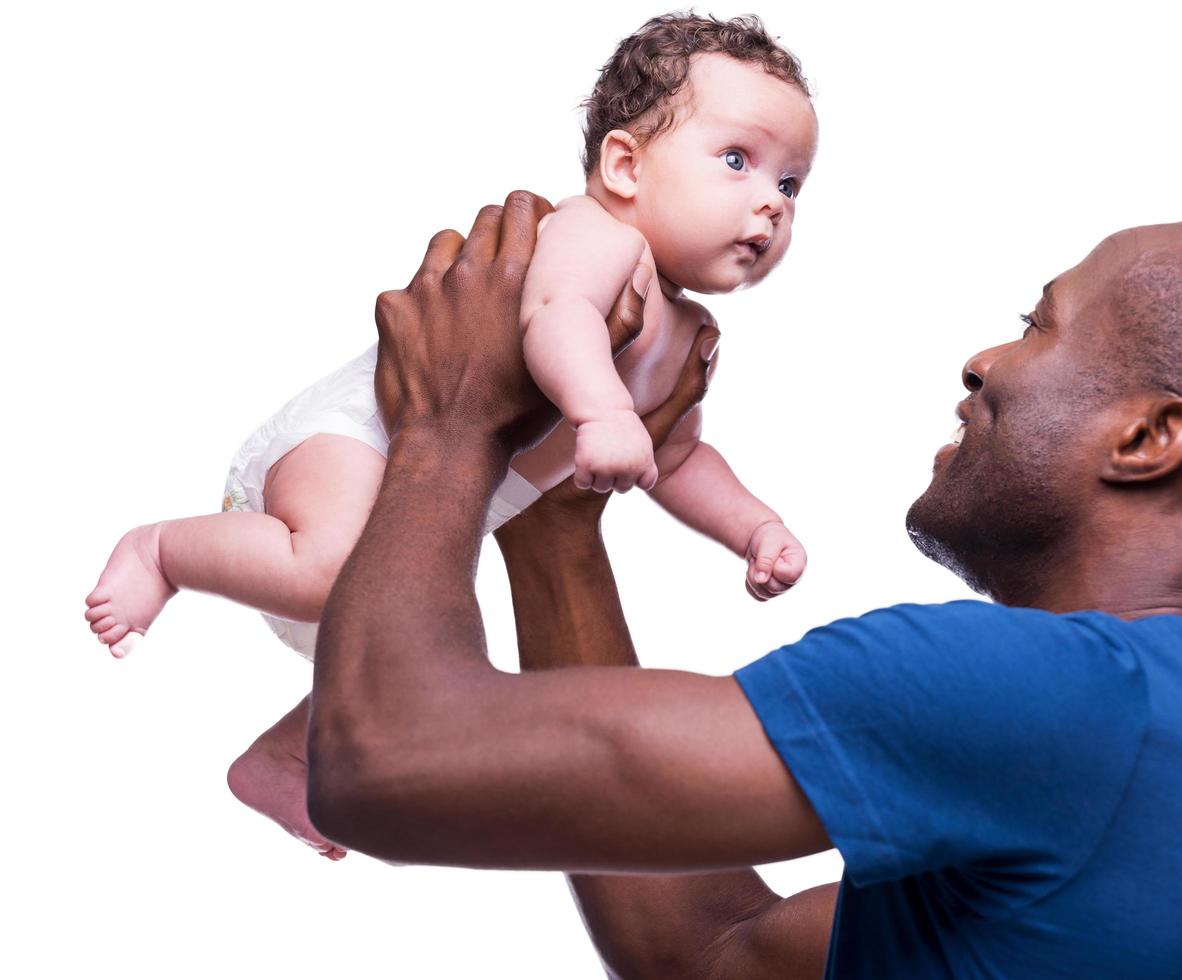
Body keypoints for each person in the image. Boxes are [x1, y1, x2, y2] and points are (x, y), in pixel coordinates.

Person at [306, 193, 1182, 978]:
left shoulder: (1059, 697)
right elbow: (708, 951)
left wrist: (449, 426)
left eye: (1039, 324)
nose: (984, 360)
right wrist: (551, 525)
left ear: (1147, 436)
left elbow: (383, 760)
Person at [80, 13, 815, 858]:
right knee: (335, 571)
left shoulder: (686, 336)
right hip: (358, 442)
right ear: (624, 165)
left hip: (435, 508)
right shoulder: (597, 237)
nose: (770, 202)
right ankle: (162, 551)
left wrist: (751, 527)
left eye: (792, 185)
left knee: (412, 643)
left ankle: (284, 757)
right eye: (738, 160)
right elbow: (555, 314)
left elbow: (677, 455)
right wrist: (601, 412)